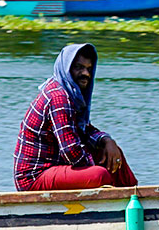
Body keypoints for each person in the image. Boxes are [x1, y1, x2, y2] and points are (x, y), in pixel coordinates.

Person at [14, 42, 136, 191]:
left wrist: (107, 141)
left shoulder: (70, 94)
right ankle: (125, 203)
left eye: (89, 68)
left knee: (113, 153)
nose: (86, 73)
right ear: (66, 69)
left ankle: (135, 197)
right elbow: (71, 152)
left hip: (55, 167)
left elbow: (84, 130)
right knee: (99, 175)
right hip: (34, 178)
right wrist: (97, 166)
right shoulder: (59, 97)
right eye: (79, 67)